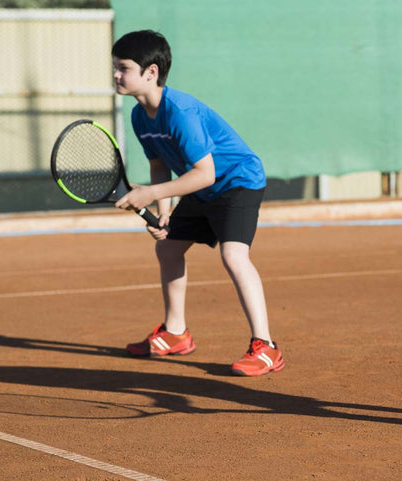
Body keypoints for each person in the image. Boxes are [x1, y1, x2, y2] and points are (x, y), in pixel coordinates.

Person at [110, 30, 283, 377]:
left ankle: (266, 347)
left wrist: (151, 195)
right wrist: (163, 214)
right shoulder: (139, 116)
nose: (116, 75)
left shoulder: (181, 112)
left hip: (237, 180)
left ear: (151, 72)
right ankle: (176, 333)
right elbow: (159, 165)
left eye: (123, 68)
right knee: (168, 249)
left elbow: (205, 173)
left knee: (234, 255)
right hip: (202, 187)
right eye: (114, 67)